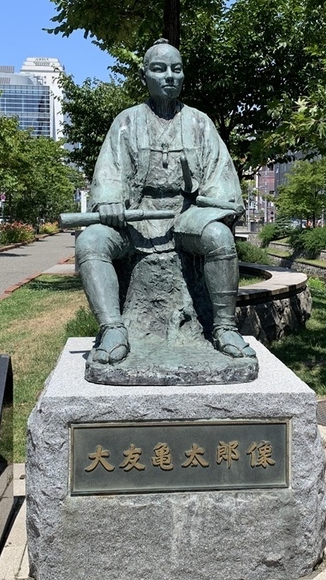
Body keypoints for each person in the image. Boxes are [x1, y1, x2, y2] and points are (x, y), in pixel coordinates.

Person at [74, 38, 254, 366]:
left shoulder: (200, 123)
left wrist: (209, 210)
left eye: (176, 69)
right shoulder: (125, 122)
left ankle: (224, 327)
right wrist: (110, 202)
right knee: (90, 242)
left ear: (184, 75)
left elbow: (220, 181)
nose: (169, 75)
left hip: (186, 216)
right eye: (159, 69)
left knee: (219, 238)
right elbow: (108, 175)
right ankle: (113, 328)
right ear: (145, 76)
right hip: (134, 218)